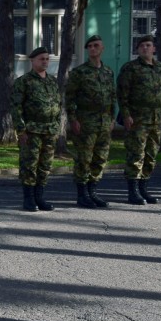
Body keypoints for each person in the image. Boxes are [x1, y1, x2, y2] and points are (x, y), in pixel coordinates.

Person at [64, 35, 116, 208]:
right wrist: (73, 119)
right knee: (83, 158)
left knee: (100, 158)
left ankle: (93, 191)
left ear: (102, 48)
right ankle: (82, 194)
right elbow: (70, 98)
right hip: (86, 120)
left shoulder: (108, 71)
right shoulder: (79, 73)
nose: (93, 48)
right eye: (90, 46)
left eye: (96, 46)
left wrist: (112, 118)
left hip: (104, 121)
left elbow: (112, 96)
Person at [117, 35, 161, 205]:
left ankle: (144, 188)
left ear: (154, 49)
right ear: (137, 50)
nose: (145, 48)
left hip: (156, 118)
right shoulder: (130, 68)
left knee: (151, 155)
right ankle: (133, 191)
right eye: (142, 46)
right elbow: (122, 94)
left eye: (148, 45)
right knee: (136, 154)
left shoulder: (160, 68)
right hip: (137, 118)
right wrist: (126, 115)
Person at [12, 47, 62, 212]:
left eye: (47, 59)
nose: (45, 61)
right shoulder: (24, 81)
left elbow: (57, 105)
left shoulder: (52, 81)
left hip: (50, 130)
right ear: (32, 61)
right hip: (32, 130)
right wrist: (20, 130)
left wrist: (57, 126)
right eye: (41, 59)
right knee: (29, 165)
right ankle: (29, 199)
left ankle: (40, 197)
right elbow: (16, 107)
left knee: (45, 165)